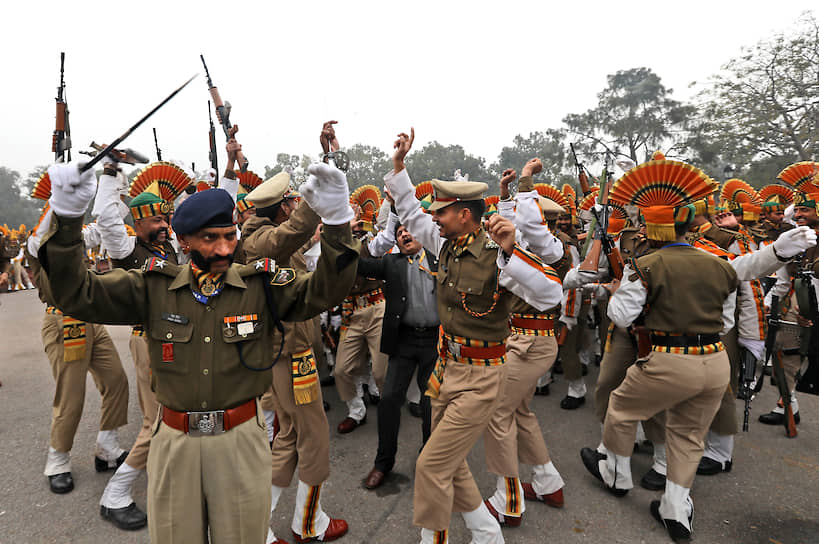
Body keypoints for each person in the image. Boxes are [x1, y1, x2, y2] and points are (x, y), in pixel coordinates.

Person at [36, 159, 359, 543]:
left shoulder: (261, 286)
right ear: (184, 241)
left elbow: (325, 290)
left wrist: (338, 222)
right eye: (210, 239)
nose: (223, 249)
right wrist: (68, 219)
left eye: (229, 236)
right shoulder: (152, 288)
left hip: (241, 440)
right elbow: (75, 292)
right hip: (175, 444)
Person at [579, 154, 816, 542]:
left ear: (650, 230)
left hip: (668, 359)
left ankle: (615, 475)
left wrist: (618, 289)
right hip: (713, 361)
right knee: (689, 435)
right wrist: (779, 250)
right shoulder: (714, 260)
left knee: (621, 409)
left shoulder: (647, 264)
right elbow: (749, 268)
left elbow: (622, 316)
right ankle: (676, 508)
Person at [385, 128, 563, 544]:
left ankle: (437, 537)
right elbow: (411, 213)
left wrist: (510, 252)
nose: (433, 219)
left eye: (442, 212)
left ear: (464, 214)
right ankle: (486, 532)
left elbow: (551, 291)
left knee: (431, 464)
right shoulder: (445, 244)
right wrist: (399, 167)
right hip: (447, 368)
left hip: (482, 377)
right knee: (448, 460)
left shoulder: (494, 253)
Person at [242, 163, 349, 543]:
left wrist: (329, 163)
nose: (293, 209)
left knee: (288, 436)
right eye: (290, 203)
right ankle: (309, 523)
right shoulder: (255, 239)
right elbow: (286, 239)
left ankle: (260, 525)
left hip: (290, 349)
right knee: (314, 438)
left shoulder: (269, 235)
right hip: (289, 354)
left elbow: (301, 241)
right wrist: (312, 202)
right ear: (282, 208)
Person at [89, 156, 192, 529]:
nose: (163, 226)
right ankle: (116, 494)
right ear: (137, 222)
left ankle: (170, 479)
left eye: (165, 220)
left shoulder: (170, 250)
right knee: (157, 421)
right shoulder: (127, 250)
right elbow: (106, 217)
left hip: (172, 339)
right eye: (156, 221)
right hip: (148, 341)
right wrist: (111, 175)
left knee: (172, 414)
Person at [478, 162, 567, 527]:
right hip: (523, 340)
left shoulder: (552, 250)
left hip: (531, 343)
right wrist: (504, 195)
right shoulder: (525, 247)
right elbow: (515, 235)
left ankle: (508, 499)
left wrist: (526, 184)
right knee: (519, 412)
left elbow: (529, 230)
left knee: (497, 411)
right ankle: (548, 482)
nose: (517, 220)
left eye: (527, 215)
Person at [25, 199, 130, 496]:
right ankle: (57, 460)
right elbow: (41, 236)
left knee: (116, 380)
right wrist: (60, 196)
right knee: (71, 395)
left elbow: (111, 217)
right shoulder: (39, 244)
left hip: (91, 321)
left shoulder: (77, 238)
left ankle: (107, 447)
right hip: (64, 324)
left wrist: (113, 184)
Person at [358, 219, 439, 490]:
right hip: (403, 342)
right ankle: (383, 463)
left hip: (434, 342)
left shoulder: (440, 258)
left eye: (408, 230)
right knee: (390, 398)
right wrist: (342, 232)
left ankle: (430, 460)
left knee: (431, 404)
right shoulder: (390, 264)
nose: (404, 234)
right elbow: (360, 263)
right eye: (399, 233)